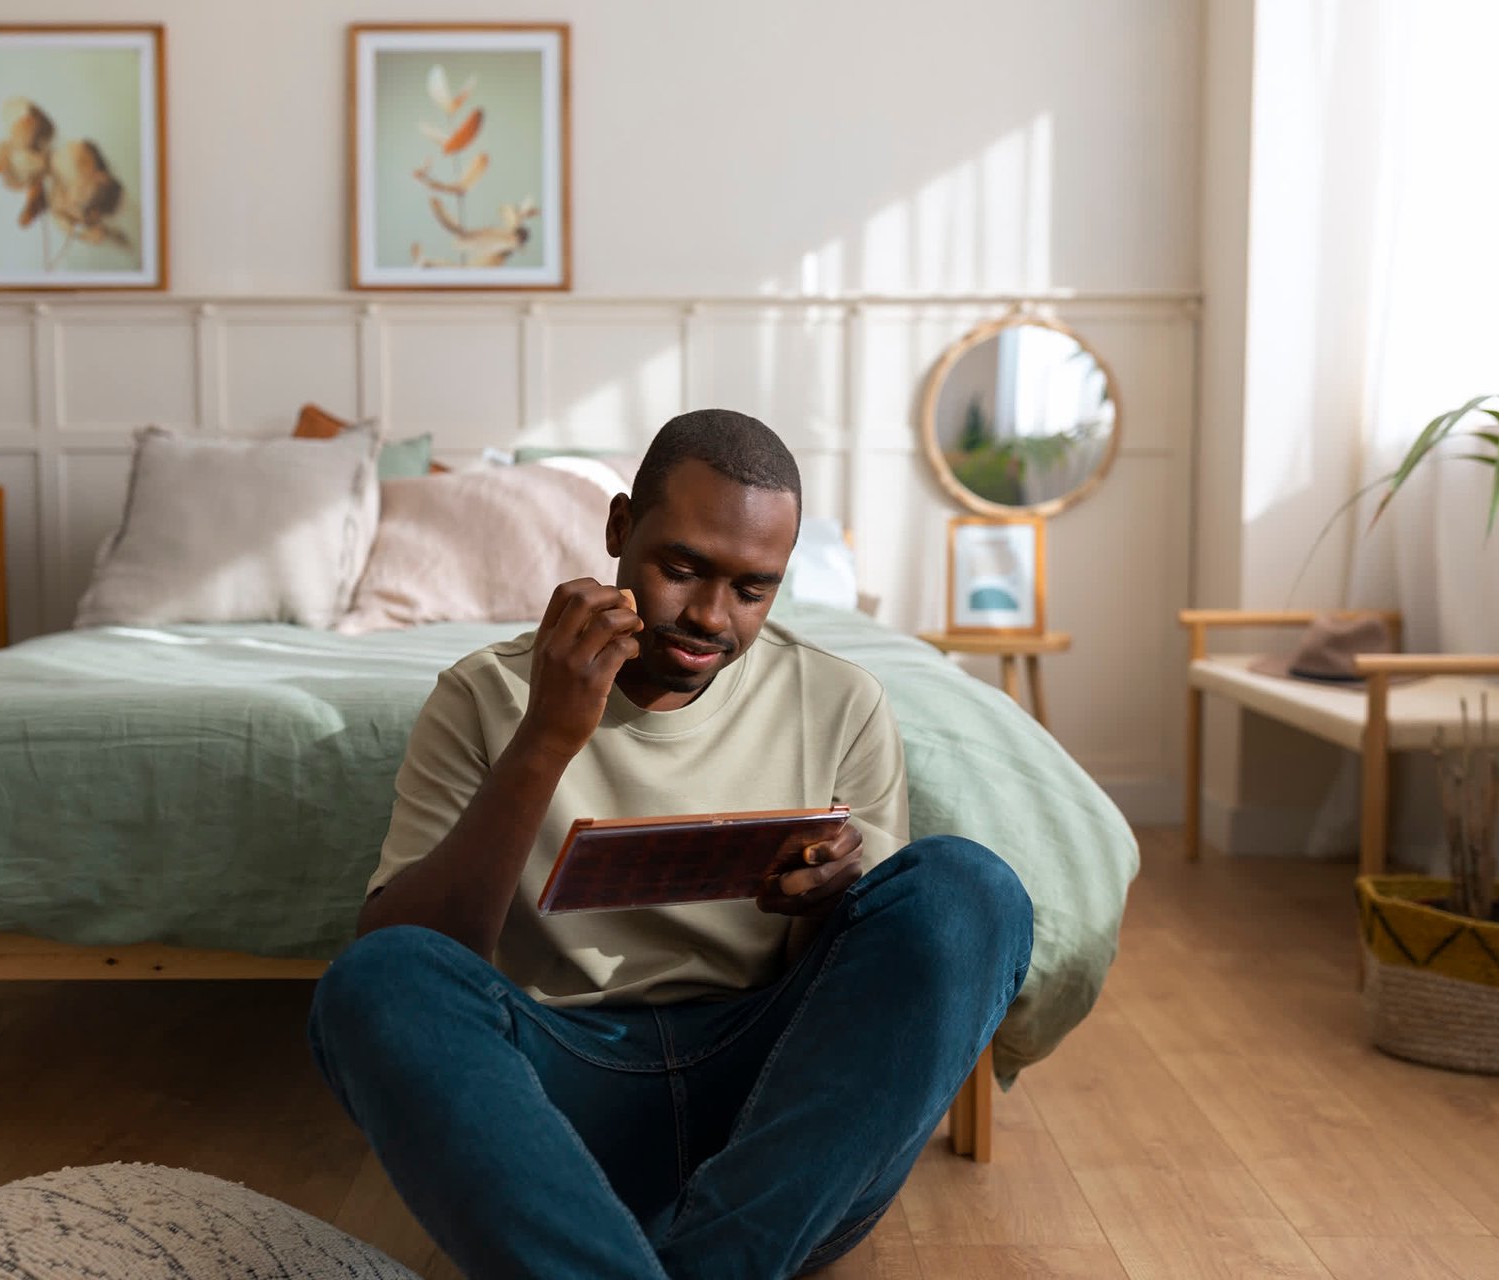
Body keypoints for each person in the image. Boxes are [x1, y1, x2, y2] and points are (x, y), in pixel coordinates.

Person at [309, 409, 1033, 1280]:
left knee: (969, 889)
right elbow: (420, 954)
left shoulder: (840, 701)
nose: (708, 618)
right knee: (375, 980)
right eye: (681, 569)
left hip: (777, 1139)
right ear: (619, 529)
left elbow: (868, 1017)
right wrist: (545, 737)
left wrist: (834, 900)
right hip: (557, 1119)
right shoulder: (485, 695)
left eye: (752, 589)